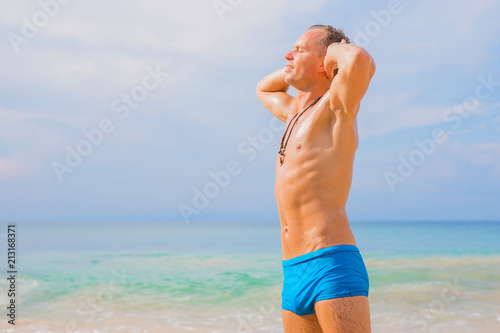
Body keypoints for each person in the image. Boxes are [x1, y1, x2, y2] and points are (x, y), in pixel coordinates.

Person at [256, 25, 376, 332]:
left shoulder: (337, 107)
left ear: (326, 61)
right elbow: (263, 88)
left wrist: (332, 51)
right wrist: (297, 66)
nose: (287, 55)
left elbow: (359, 59)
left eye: (298, 50)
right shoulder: (294, 112)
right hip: (292, 271)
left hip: (330, 264)